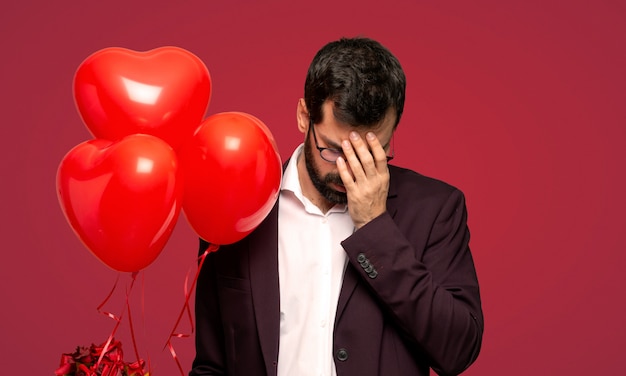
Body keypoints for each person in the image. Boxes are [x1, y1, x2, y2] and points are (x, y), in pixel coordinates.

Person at [189, 37, 483, 376]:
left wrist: (376, 227)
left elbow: (458, 350)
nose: (348, 170)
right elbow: (212, 364)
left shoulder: (435, 209)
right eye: (333, 150)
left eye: (372, 153)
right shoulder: (238, 204)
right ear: (303, 116)